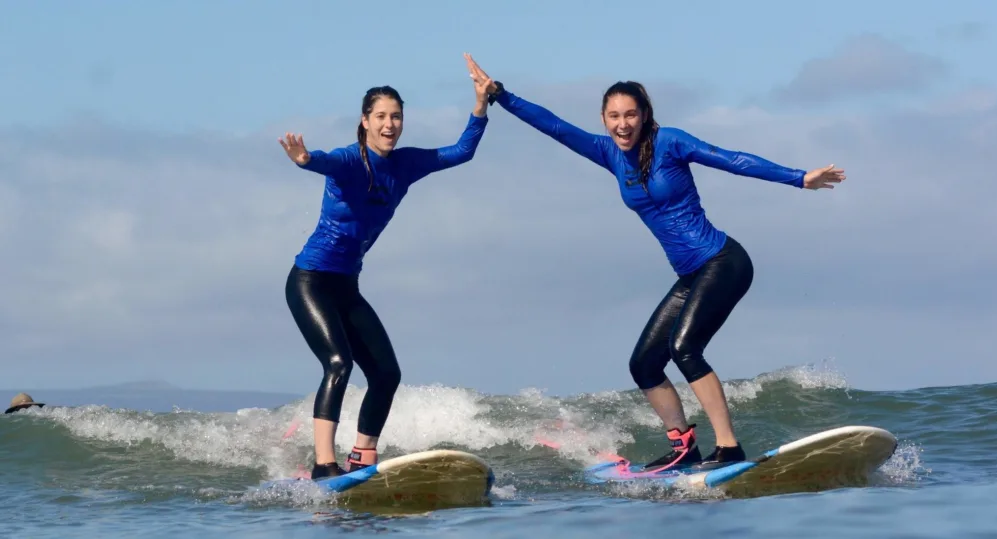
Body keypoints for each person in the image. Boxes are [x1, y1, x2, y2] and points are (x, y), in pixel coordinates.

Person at [463, 53, 845, 471]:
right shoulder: (608, 154)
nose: (622, 124)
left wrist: (798, 177)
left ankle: (729, 447)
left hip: (723, 261)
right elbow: (553, 125)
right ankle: (684, 447)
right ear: (604, 119)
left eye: (630, 114)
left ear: (644, 115)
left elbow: (731, 159)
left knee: (685, 349)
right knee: (643, 364)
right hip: (691, 274)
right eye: (613, 116)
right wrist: (498, 95)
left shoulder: (671, 142)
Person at [277, 66, 495, 479]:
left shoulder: (406, 164)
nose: (389, 124)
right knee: (339, 363)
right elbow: (319, 161)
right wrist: (304, 159)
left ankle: (362, 457)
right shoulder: (348, 160)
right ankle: (324, 465)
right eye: (381, 116)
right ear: (365, 121)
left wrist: (480, 106)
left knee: (386, 374)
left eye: (395, 116)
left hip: (346, 285)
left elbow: (461, 151)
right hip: (309, 281)